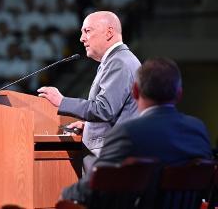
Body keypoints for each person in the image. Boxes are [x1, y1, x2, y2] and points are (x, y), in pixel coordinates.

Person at [61, 57, 212, 204]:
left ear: (135, 92)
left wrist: (65, 194)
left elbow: (93, 186)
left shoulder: (127, 133)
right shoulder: (198, 131)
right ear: (179, 93)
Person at [38, 11, 141, 174]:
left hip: (111, 162)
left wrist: (62, 101)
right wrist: (89, 126)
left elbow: (104, 109)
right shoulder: (117, 60)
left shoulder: (119, 62)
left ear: (109, 33)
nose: (82, 38)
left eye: (87, 31)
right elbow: (120, 112)